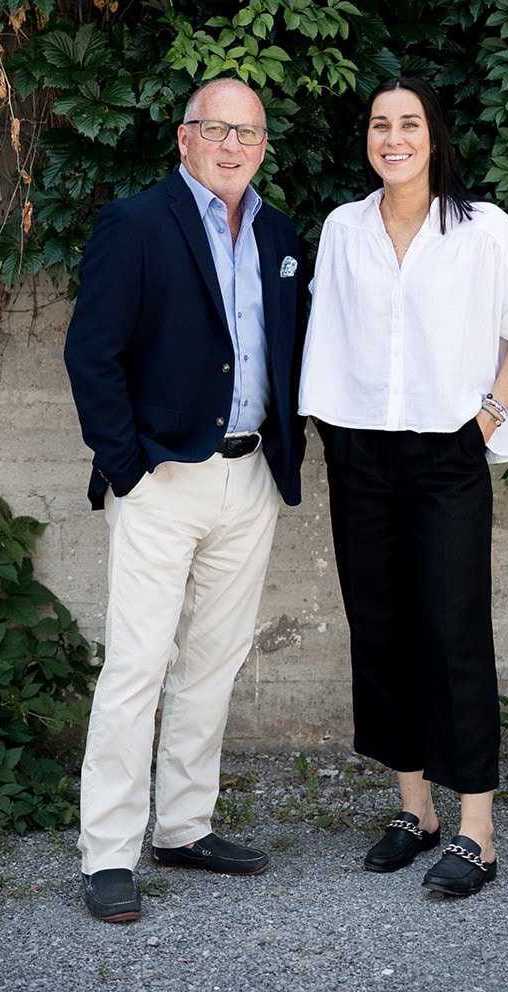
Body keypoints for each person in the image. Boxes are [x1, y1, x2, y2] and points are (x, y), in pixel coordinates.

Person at [64, 77, 306, 923]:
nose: (232, 146)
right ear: (184, 138)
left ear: (263, 145)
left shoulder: (277, 233)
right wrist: (128, 467)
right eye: (216, 130)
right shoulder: (135, 224)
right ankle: (107, 853)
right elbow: (91, 355)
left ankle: (183, 827)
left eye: (248, 133)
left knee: (213, 661)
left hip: (249, 478)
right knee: (137, 665)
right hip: (162, 477)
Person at [298, 77, 508, 898]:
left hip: (446, 454)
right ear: (366, 139)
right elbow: (326, 333)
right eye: (379, 124)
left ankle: (478, 829)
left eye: (408, 124)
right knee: (381, 627)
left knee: (454, 631)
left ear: (433, 136)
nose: (392, 137)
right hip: (360, 454)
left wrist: (485, 420)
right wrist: (332, 431)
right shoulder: (343, 228)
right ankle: (416, 810)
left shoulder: (482, 230)